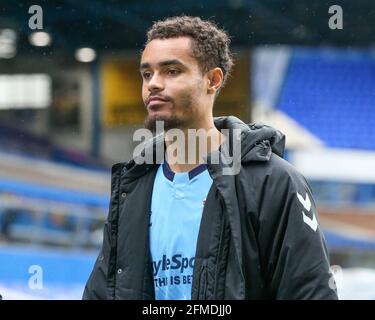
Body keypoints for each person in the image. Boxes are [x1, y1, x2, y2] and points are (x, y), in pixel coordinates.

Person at [83, 16, 338, 300]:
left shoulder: (275, 182)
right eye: (147, 74)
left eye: (171, 71)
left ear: (213, 80)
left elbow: (310, 292)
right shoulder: (133, 186)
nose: (153, 84)